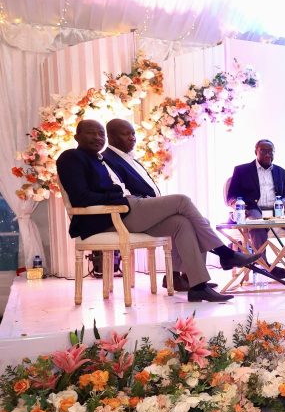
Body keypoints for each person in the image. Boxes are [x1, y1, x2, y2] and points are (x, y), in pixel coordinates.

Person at [56, 119, 258, 303]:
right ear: (77, 136)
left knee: (182, 223)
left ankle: (198, 286)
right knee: (182, 201)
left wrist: (116, 194)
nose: (98, 138)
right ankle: (224, 253)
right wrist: (115, 196)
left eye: (101, 134)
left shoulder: (97, 159)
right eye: (92, 133)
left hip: (127, 210)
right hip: (113, 215)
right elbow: (81, 197)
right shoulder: (71, 157)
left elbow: (111, 188)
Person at [101, 118, 187, 291]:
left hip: (148, 209)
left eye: (133, 133)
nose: (132, 138)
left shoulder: (132, 159)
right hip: (135, 214)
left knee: (187, 222)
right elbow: (123, 193)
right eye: (126, 134)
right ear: (111, 136)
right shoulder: (106, 159)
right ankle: (223, 254)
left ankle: (182, 277)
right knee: (182, 202)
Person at [226, 139, 285, 273]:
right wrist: (237, 205)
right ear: (255, 152)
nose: (268, 154)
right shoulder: (242, 170)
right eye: (263, 151)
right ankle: (264, 265)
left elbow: (284, 194)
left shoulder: (281, 172)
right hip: (253, 209)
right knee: (256, 223)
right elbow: (231, 195)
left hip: (277, 211)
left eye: (271, 151)